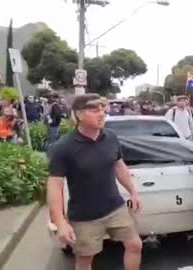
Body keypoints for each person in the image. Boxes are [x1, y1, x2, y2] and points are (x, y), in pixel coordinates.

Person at [47, 94, 142, 270]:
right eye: (94, 109)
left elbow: (119, 166)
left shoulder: (111, 137)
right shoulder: (64, 147)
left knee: (135, 245)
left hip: (116, 208)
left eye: (102, 109)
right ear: (79, 115)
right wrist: (60, 222)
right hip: (85, 217)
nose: (101, 113)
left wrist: (133, 192)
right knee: (85, 260)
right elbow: (55, 187)